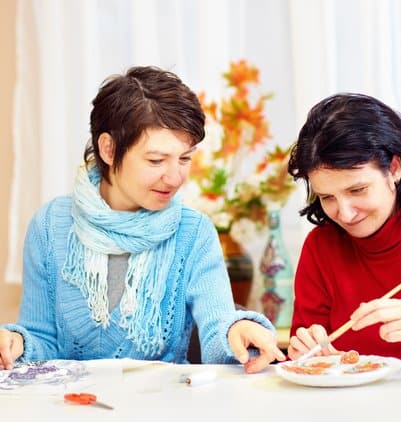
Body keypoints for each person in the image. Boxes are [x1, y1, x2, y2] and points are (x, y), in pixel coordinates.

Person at [0, 66, 284, 373]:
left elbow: (217, 331)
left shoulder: (194, 232)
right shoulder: (49, 225)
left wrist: (236, 331)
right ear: (108, 149)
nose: (175, 177)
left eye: (185, 158)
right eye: (156, 160)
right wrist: (16, 342)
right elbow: (42, 340)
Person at [287, 93, 401, 363]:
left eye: (357, 189)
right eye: (327, 197)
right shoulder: (321, 246)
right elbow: (302, 354)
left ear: (393, 169)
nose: (345, 214)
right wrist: (303, 350)